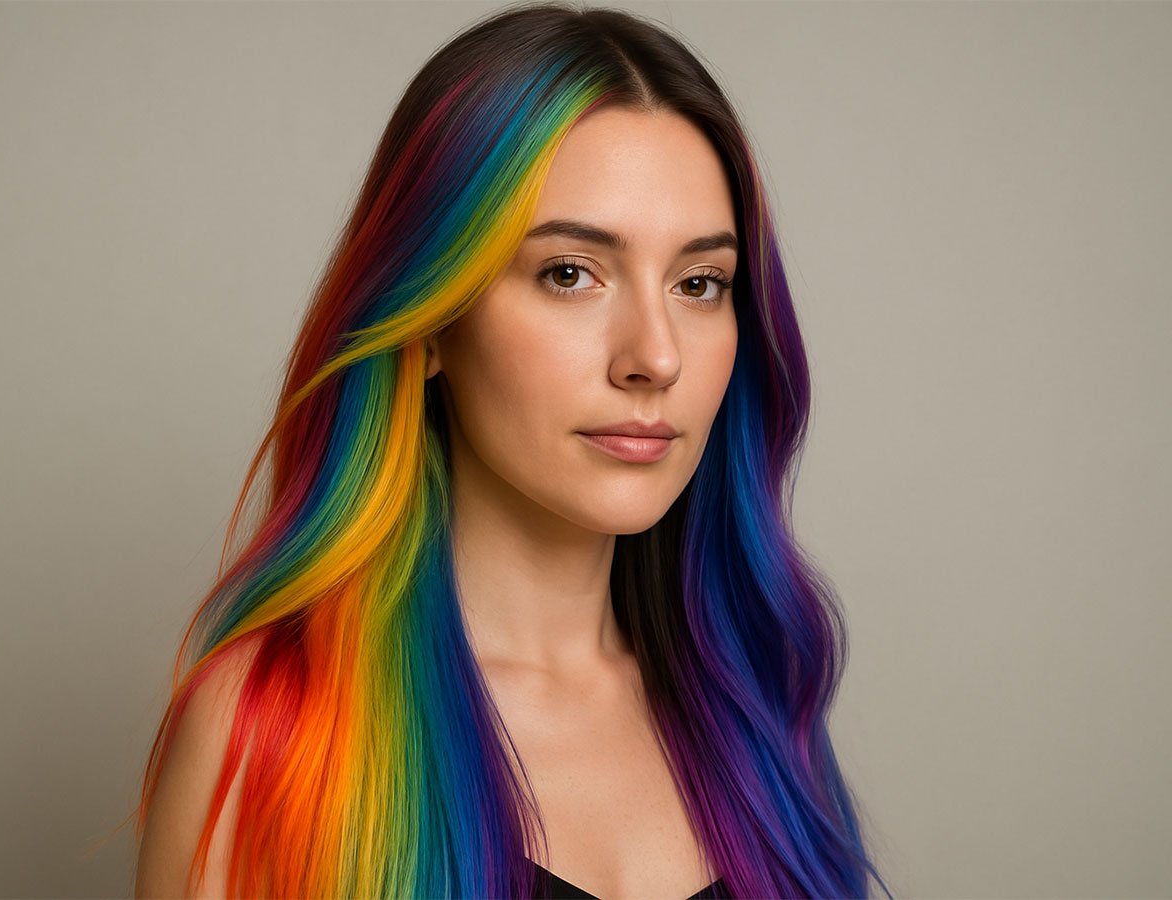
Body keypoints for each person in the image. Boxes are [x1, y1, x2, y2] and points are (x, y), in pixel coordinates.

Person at [132, 3, 893, 898]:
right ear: (429, 323)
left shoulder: (763, 707)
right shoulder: (274, 733)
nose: (655, 356)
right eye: (569, 272)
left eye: (700, 282)